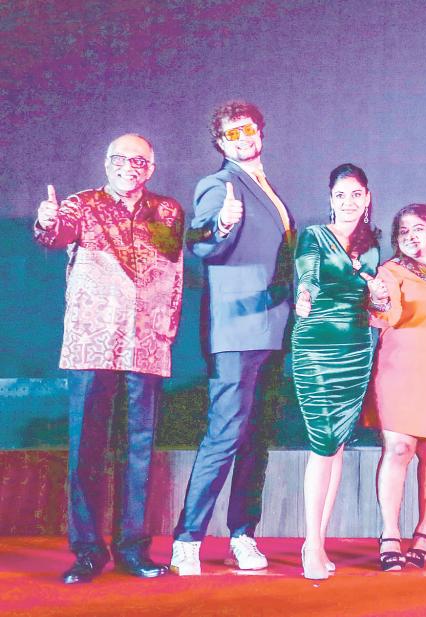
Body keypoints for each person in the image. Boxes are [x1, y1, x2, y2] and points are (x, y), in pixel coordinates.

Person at [33, 133, 183, 584]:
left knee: (139, 449)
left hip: (146, 342)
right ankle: (87, 551)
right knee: (87, 448)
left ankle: (133, 549)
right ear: (106, 162)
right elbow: (56, 236)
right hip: (93, 341)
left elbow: (173, 266)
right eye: (120, 159)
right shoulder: (81, 204)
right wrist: (45, 221)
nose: (129, 167)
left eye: (139, 161)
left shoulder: (167, 211)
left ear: (151, 168)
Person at [171, 101, 296, 576]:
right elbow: (201, 240)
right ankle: (188, 539)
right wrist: (220, 224)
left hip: (274, 329)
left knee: (256, 438)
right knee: (224, 435)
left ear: (260, 131)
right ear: (220, 144)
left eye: (248, 130)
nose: (242, 139)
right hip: (236, 329)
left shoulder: (265, 185)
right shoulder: (218, 185)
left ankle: (242, 533)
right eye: (231, 134)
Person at [293, 163, 383, 580]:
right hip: (316, 345)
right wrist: (304, 295)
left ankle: (320, 541)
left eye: (355, 194)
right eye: (339, 195)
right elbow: (308, 273)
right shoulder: (314, 236)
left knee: (339, 444)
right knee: (322, 441)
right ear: (330, 199)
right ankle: (310, 544)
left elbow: (373, 298)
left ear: (367, 198)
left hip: (356, 347)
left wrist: (378, 294)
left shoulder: (373, 247)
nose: (347, 202)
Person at [364, 203, 426, 572]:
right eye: (403, 231)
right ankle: (390, 533)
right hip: (400, 368)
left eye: (418, 228)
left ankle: (423, 533)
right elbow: (383, 315)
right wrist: (377, 298)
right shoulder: (390, 271)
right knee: (399, 447)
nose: (410, 236)